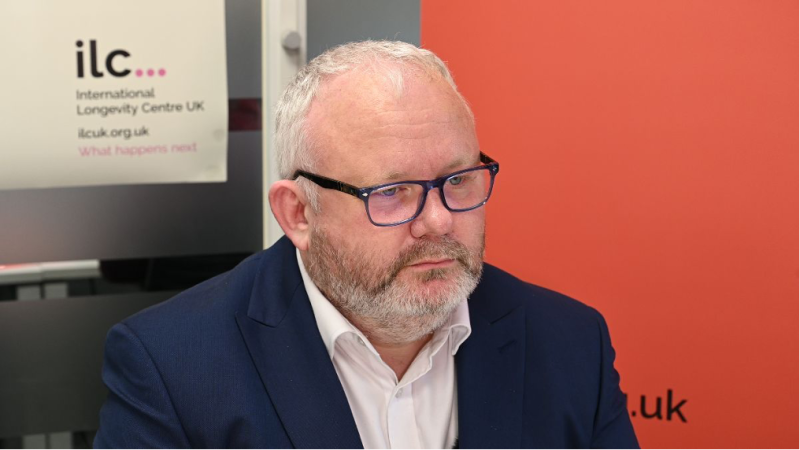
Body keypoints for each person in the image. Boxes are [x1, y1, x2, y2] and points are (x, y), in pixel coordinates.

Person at [95, 40, 639, 449]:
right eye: (393, 192)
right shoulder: (173, 366)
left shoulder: (569, 343)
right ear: (299, 213)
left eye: (458, 180)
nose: (438, 222)